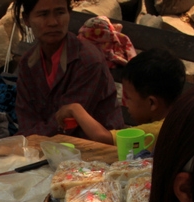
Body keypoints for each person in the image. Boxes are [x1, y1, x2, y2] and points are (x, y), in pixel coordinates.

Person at [12, 0, 124, 137]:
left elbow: (66, 124)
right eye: (43, 14)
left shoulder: (88, 60)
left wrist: (28, 141)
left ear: (69, 14)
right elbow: (26, 117)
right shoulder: (27, 64)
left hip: (93, 147)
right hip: (46, 146)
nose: (53, 22)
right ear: (27, 19)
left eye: (60, 12)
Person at [55, 48, 185, 146]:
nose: (125, 103)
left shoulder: (157, 131)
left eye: (128, 98)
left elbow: (103, 137)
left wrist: (75, 108)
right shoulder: (180, 117)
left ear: (152, 103)